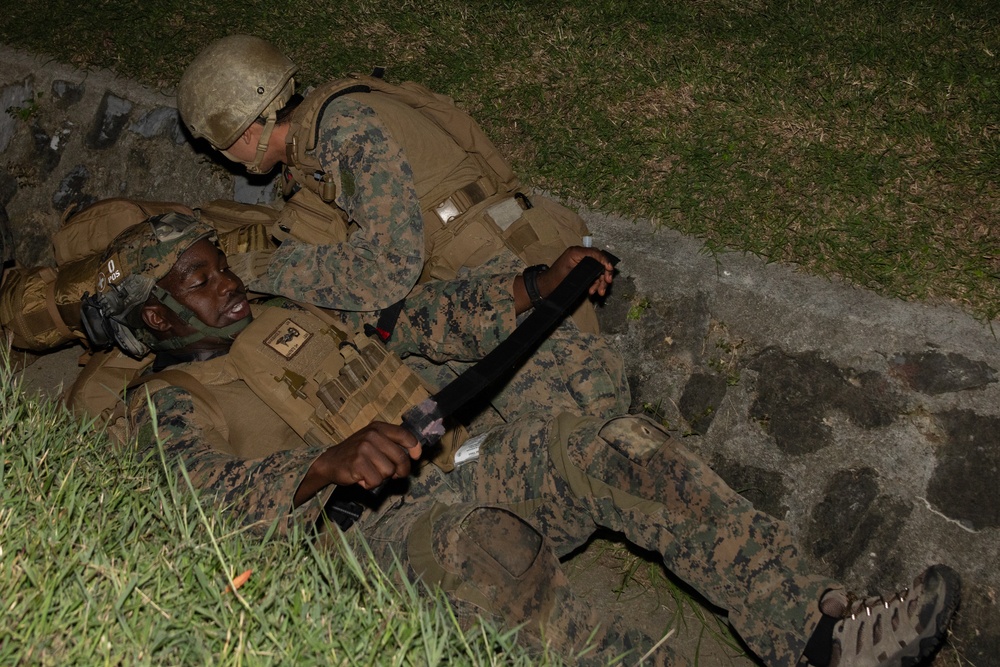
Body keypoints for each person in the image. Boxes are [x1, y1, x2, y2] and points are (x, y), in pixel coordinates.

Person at [88, 213, 959, 667]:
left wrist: (530, 286)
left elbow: (416, 316)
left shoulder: (296, 307)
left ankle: (820, 634)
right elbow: (194, 501)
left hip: (460, 460)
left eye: (220, 262)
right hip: (366, 542)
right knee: (491, 554)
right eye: (202, 279)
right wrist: (324, 462)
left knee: (614, 444)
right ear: (159, 315)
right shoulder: (171, 399)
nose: (231, 281)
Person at [177, 34, 599, 335]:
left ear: (245, 132)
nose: (219, 155)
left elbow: (387, 271)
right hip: (469, 264)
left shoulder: (345, 131)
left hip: (511, 270)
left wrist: (262, 270)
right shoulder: (314, 137)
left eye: (216, 145)